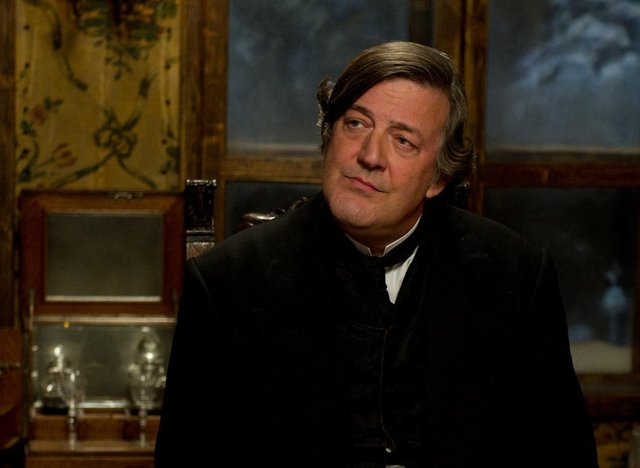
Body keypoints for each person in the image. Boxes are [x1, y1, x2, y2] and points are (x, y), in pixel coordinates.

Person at [155, 41, 598, 467]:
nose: (370, 155)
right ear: (328, 136)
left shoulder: (518, 277)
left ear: (438, 178)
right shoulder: (225, 283)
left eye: (403, 140)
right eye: (356, 124)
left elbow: (561, 458)